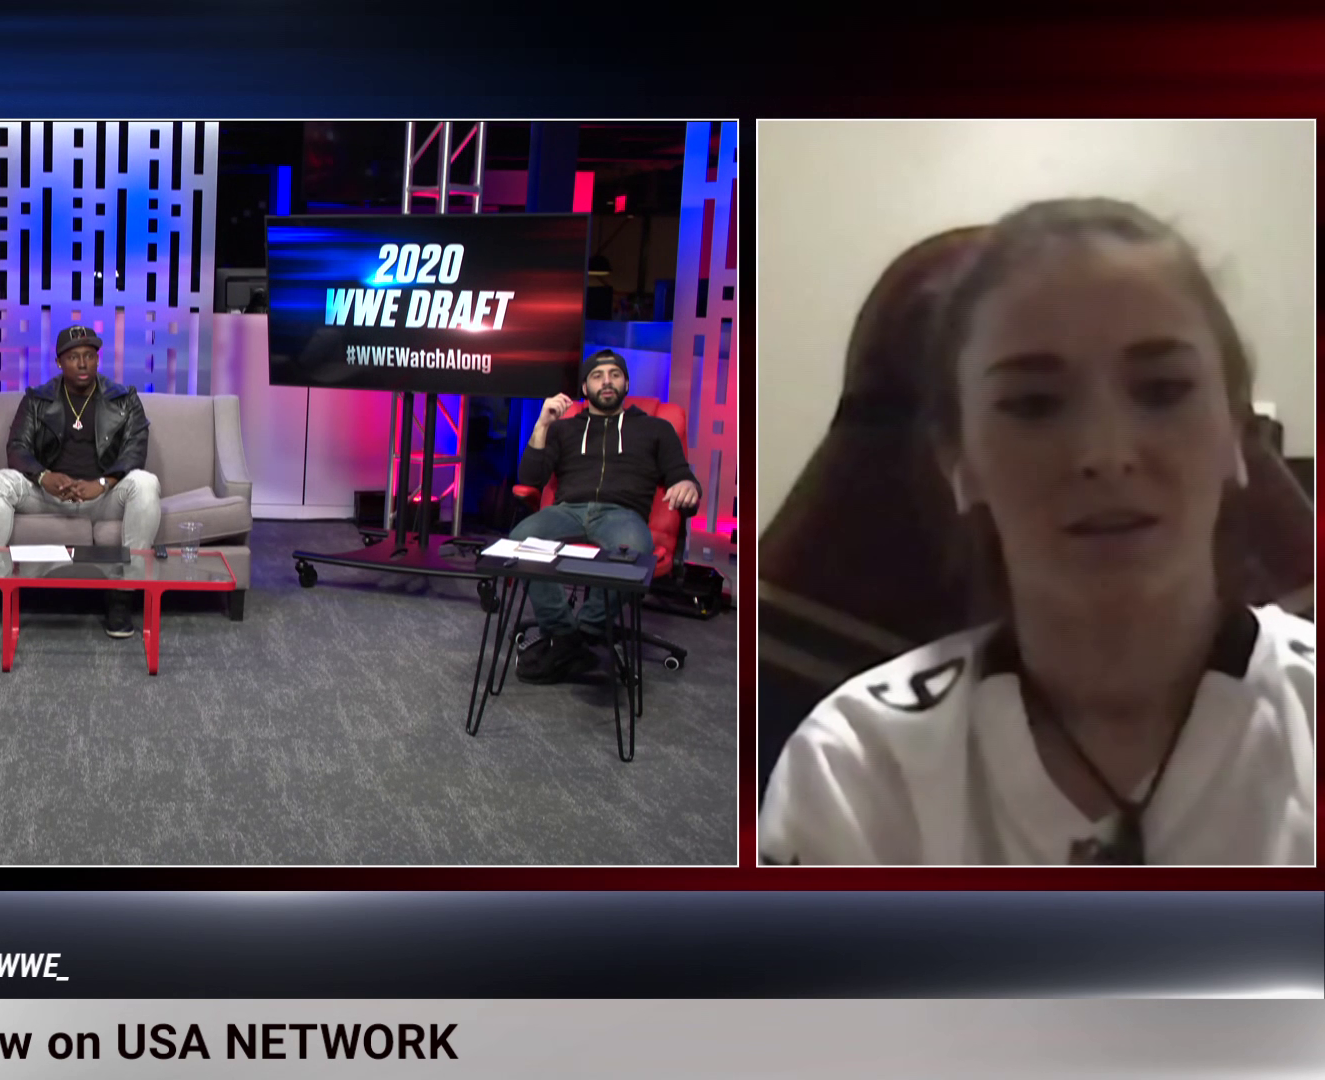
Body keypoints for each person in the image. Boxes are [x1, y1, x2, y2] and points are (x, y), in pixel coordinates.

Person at [758, 198, 1316, 865]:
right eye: (1033, 404)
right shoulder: (857, 769)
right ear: (959, 461)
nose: (1106, 453)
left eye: (1162, 390)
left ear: (1236, 432)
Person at [0, 325, 162, 640]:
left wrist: (102, 482)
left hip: (104, 497)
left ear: (97, 359)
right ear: (59, 362)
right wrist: (44, 477)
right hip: (48, 495)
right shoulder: (37, 399)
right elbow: (17, 447)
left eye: (89, 355)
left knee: (146, 483)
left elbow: (135, 449)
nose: (83, 363)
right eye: (73, 357)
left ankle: (121, 598)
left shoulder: (124, 399)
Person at [511, 349, 698, 683]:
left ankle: (583, 634)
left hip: (621, 514)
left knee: (634, 554)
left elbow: (682, 476)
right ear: (585, 388)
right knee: (519, 543)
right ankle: (564, 633)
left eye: (615, 375)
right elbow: (530, 479)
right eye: (597, 376)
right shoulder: (564, 429)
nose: (607, 381)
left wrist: (687, 485)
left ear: (626, 383)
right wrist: (542, 425)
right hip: (568, 511)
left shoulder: (656, 428)